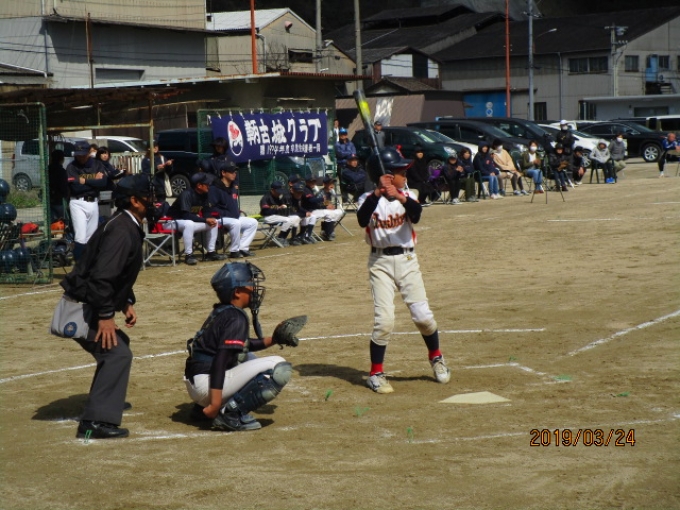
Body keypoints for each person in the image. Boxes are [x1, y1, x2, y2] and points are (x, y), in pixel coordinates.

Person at [59, 173, 152, 439]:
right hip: (83, 307)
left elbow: (117, 274)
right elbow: (102, 277)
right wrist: (105, 316)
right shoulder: (122, 229)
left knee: (118, 346)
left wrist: (126, 302)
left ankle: (105, 402)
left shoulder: (126, 223)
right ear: (134, 201)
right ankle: (94, 422)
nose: (153, 200)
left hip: (90, 302)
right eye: (148, 195)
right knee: (117, 353)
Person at [356, 147, 451, 394]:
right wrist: (378, 193)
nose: (405, 175)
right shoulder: (366, 198)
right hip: (380, 263)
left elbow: (416, 215)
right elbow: (362, 219)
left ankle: (436, 356)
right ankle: (376, 373)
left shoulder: (409, 194)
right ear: (385, 176)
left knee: (423, 317)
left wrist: (399, 197)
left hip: (408, 260)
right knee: (384, 321)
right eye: (400, 172)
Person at [183, 262, 294, 431]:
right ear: (237, 292)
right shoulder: (236, 318)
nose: (254, 289)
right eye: (250, 284)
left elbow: (243, 345)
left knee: (247, 356)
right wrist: (214, 404)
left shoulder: (223, 311)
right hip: (206, 385)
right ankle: (230, 414)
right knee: (279, 367)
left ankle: (200, 408)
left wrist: (273, 339)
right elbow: (220, 360)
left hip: (197, 381)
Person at [166, 172, 222, 265]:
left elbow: (206, 211)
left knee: (214, 222)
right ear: (199, 185)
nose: (209, 186)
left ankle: (211, 252)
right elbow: (186, 216)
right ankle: (189, 255)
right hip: (170, 222)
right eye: (206, 184)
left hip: (187, 223)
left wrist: (208, 219)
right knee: (189, 223)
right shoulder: (186, 194)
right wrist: (205, 220)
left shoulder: (204, 194)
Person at [66, 140, 108, 261]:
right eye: (78, 155)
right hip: (77, 202)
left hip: (93, 202)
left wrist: (85, 181)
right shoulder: (71, 167)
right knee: (80, 237)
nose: (80, 157)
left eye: (83, 154)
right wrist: (94, 181)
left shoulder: (97, 165)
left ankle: (89, 266)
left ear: (89, 153)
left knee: (91, 237)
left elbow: (103, 183)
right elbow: (75, 187)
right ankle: (80, 266)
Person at [208, 159, 258, 258]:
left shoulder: (233, 188)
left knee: (253, 222)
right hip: (219, 218)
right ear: (223, 173)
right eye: (231, 171)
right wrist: (227, 214)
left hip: (234, 217)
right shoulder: (214, 188)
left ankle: (243, 248)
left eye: (235, 171)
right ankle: (234, 251)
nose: (234, 174)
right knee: (236, 223)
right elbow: (212, 208)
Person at [259, 181, 302, 247]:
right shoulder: (266, 198)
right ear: (272, 190)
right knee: (288, 220)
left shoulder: (277, 198)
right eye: (278, 191)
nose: (279, 193)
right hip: (267, 217)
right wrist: (278, 208)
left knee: (295, 218)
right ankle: (280, 238)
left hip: (276, 216)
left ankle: (287, 238)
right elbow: (264, 211)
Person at [306, 175, 343, 241]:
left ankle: (325, 230)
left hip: (323, 210)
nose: (332, 185)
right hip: (316, 210)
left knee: (340, 212)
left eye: (332, 183)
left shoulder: (330, 192)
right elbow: (316, 204)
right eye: (329, 183)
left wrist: (331, 205)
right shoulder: (321, 193)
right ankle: (329, 232)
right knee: (330, 213)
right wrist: (326, 206)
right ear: (324, 184)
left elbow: (328, 202)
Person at [48, 149, 69, 223]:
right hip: (59, 200)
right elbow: (64, 187)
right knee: (63, 220)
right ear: (62, 159)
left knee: (52, 221)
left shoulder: (47, 169)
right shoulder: (61, 171)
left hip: (49, 199)